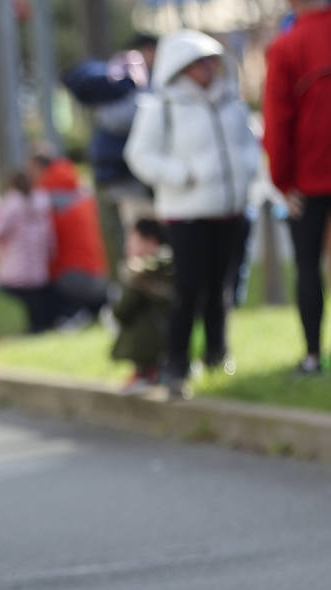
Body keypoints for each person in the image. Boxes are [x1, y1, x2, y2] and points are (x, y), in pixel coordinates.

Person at [123, 29, 260, 398]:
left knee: (222, 289)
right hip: (187, 215)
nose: (208, 69)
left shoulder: (230, 101)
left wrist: (249, 174)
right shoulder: (162, 106)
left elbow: (250, 145)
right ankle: (176, 363)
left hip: (230, 211)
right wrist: (181, 175)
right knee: (188, 290)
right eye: (199, 63)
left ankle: (217, 354)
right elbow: (140, 155)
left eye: (211, 61)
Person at [262, 0, 331, 374]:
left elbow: (277, 119)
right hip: (310, 174)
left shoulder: (288, 46)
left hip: (309, 178)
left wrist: (283, 181)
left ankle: (312, 356)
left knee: (308, 266)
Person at [62, 33, 159, 278]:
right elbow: (119, 119)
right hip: (127, 178)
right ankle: (136, 293)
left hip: (124, 176)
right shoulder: (127, 84)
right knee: (140, 238)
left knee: (135, 237)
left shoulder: (121, 83)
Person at [29, 148, 110, 325]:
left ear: (37, 168)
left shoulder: (46, 198)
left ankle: (69, 315)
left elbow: (46, 244)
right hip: (100, 273)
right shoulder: (80, 192)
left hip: (73, 277)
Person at [0, 172, 59, 334]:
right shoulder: (41, 201)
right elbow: (50, 231)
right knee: (34, 293)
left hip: (16, 256)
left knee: (21, 292)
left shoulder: (11, 204)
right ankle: (38, 324)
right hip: (37, 254)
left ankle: (35, 326)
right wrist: (51, 249)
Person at [111, 218, 175, 393]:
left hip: (153, 340)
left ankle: (146, 371)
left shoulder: (141, 274)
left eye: (133, 240)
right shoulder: (173, 267)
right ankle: (151, 371)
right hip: (170, 339)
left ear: (151, 241)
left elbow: (122, 310)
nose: (128, 247)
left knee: (132, 321)